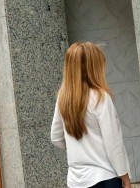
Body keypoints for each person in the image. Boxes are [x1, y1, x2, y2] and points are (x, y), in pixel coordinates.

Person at [51, 42, 131, 188]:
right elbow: (113, 143)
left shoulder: (63, 98)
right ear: (93, 68)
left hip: (75, 180)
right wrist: (124, 176)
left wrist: (80, 150)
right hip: (104, 177)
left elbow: (56, 137)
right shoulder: (100, 97)